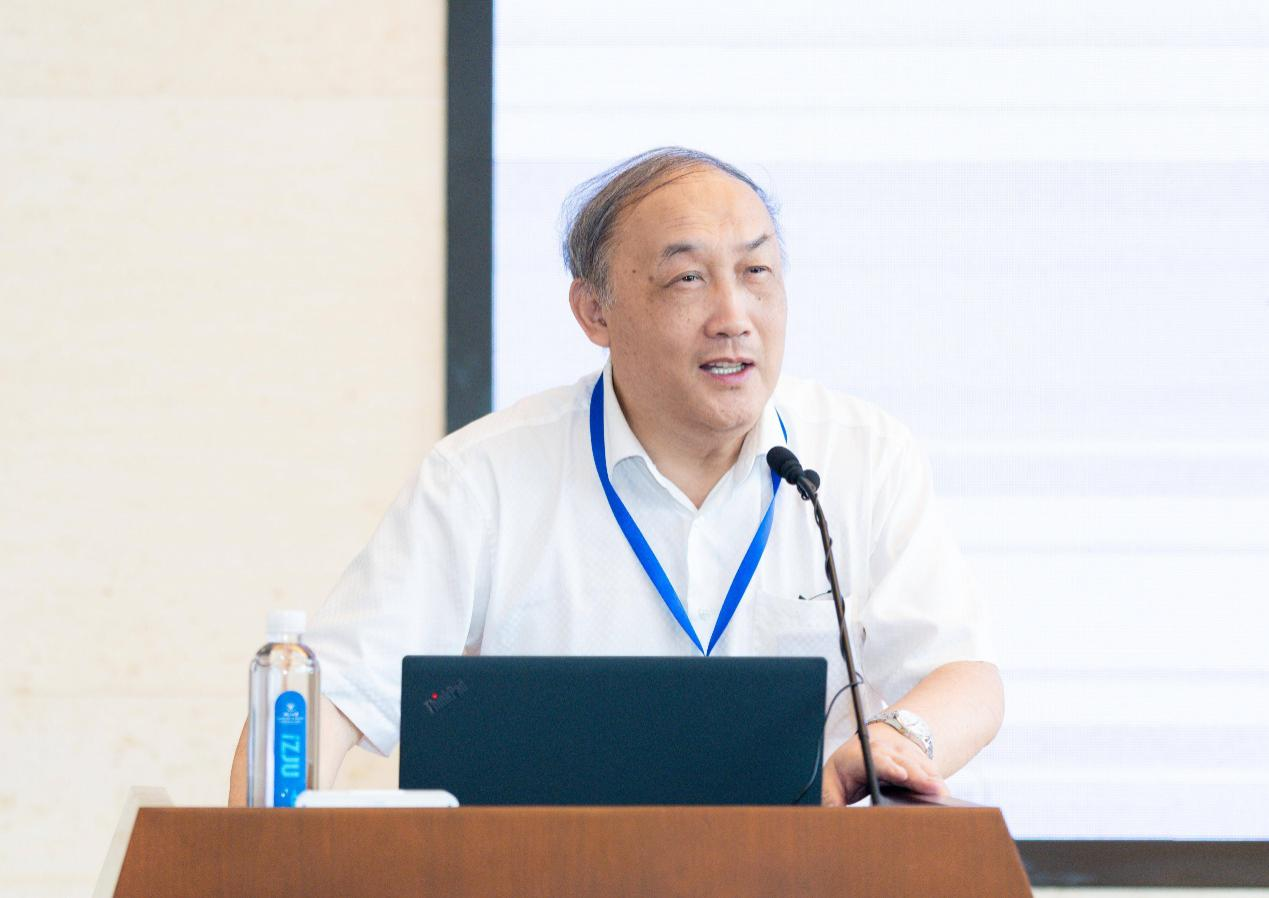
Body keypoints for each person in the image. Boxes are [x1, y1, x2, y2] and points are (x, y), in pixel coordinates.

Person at [228, 147, 1003, 807]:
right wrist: (269, 845)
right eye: (687, 279)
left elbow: (964, 677)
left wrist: (895, 737)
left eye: (756, 271)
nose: (733, 315)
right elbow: (324, 698)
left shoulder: (861, 455)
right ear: (594, 312)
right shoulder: (481, 478)